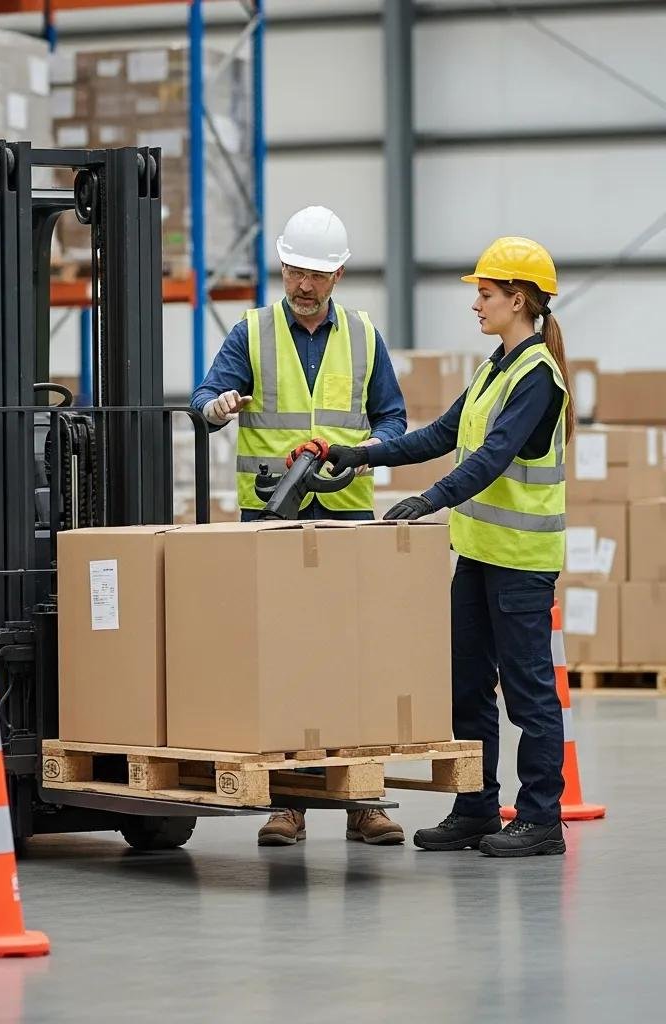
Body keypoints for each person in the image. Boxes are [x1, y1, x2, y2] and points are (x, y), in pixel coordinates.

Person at [327, 237, 572, 858]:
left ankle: (542, 817)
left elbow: (493, 457)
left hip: (520, 566)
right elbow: (440, 434)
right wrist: (361, 455)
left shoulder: (537, 377)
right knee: (466, 686)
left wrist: (428, 501)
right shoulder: (495, 367)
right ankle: (478, 806)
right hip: (479, 556)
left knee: (527, 691)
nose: (477, 304)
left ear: (518, 299)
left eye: (485, 294)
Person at [191, 205, 408, 849]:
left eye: (317, 274)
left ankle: (362, 801)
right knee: (282, 661)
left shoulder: (366, 337)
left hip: (346, 517)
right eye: (295, 271)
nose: (304, 284)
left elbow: (392, 420)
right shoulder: (250, 335)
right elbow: (205, 399)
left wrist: (364, 450)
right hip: (273, 519)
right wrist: (218, 407)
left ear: (337, 275)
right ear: (282, 266)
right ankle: (289, 806)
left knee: (350, 660)